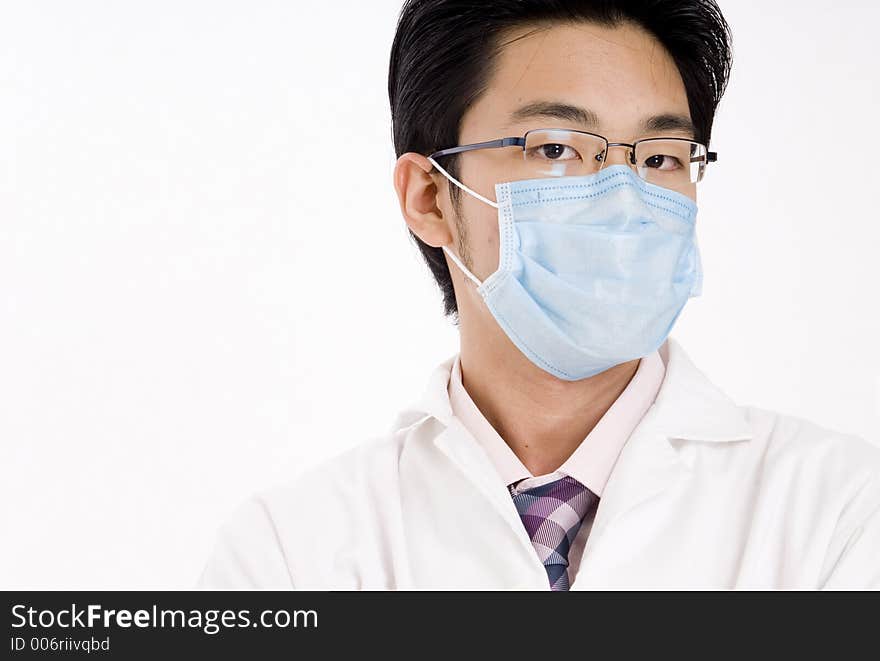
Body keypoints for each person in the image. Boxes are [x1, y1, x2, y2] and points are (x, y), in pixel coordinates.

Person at [196, 0, 880, 590]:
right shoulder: (288, 553)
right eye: (554, 148)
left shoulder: (840, 510)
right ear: (430, 196)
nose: (623, 197)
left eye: (661, 157)